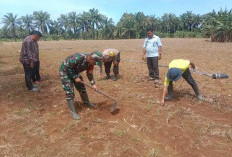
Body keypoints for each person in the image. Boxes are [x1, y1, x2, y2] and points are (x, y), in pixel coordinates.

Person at [59, 51, 103, 120]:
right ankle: (73, 112)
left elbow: (89, 73)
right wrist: (74, 77)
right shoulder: (77, 58)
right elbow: (67, 67)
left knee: (81, 86)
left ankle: (86, 102)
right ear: (90, 58)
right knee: (69, 91)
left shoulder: (91, 63)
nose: (94, 64)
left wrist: (93, 84)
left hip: (75, 71)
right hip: (65, 71)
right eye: (94, 63)